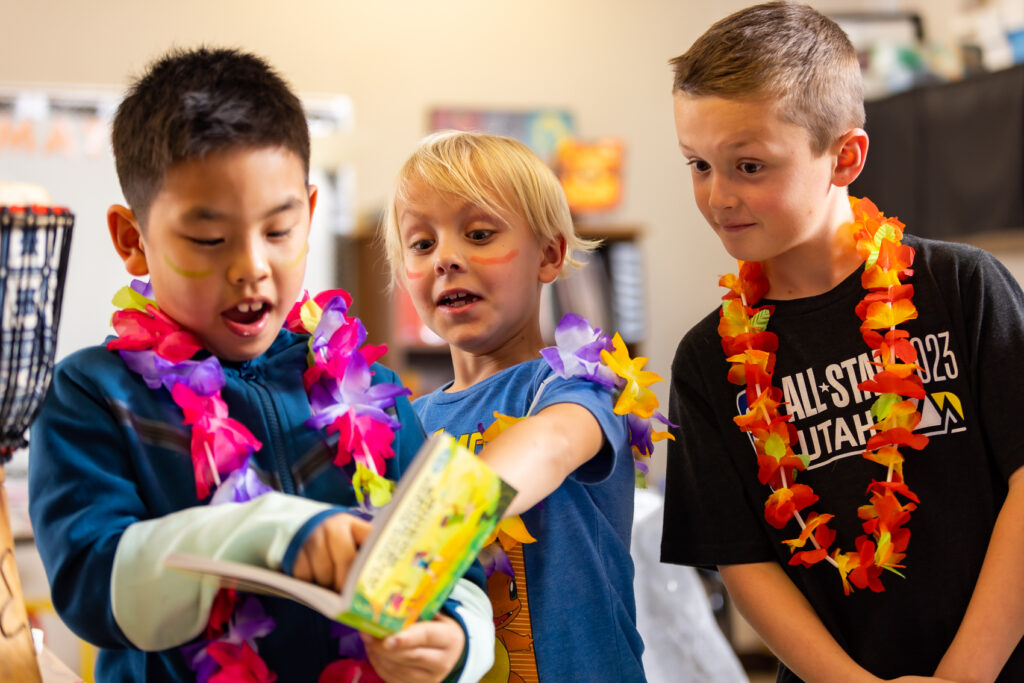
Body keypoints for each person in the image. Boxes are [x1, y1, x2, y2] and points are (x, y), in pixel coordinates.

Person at [28, 47, 493, 683]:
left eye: (278, 231)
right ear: (133, 240)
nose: (252, 266)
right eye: (209, 239)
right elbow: (93, 587)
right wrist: (277, 532)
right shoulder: (94, 397)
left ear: (308, 211)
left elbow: (450, 570)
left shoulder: (373, 391)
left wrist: (455, 642)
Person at [659, 3, 1024, 682]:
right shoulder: (707, 361)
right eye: (698, 164)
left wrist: (964, 677)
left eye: (749, 165)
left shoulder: (962, 287)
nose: (718, 196)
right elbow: (743, 560)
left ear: (845, 157)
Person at [380, 130, 647, 682]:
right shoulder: (409, 422)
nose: (446, 259)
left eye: (479, 234)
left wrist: (417, 532)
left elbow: (548, 446)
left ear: (549, 255)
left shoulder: (582, 379)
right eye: (422, 244)